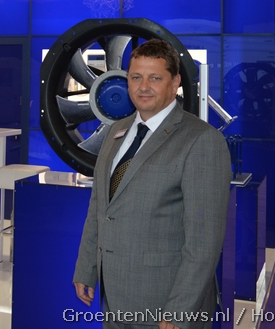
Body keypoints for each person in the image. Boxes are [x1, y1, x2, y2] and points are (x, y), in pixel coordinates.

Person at [73, 39, 232, 329]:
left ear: (175, 83)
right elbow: (100, 208)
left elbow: (204, 242)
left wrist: (180, 310)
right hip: (115, 298)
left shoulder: (202, 140)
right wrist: (87, 268)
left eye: (155, 78)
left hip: (165, 303)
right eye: (136, 77)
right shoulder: (116, 131)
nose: (143, 87)